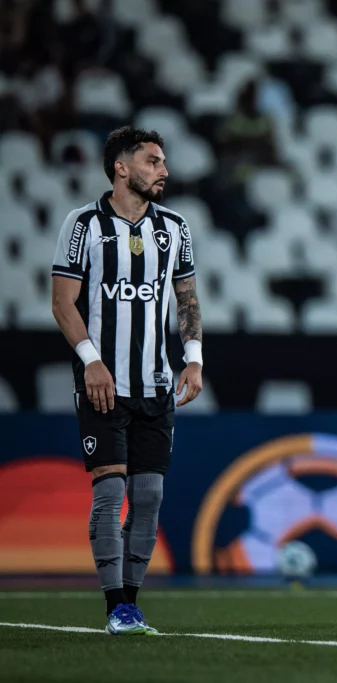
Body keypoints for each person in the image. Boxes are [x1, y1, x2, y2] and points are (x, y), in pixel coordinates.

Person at [51, 126, 205, 635]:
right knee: (109, 493)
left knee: (149, 497)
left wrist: (193, 358)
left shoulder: (175, 227)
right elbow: (63, 302)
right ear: (122, 167)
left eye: (163, 162)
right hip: (104, 385)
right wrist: (91, 360)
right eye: (153, 161)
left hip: (155, 385)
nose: (164, 171)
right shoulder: (83, 225)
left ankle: (132, 605)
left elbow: (187, 298)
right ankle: (114, 604)